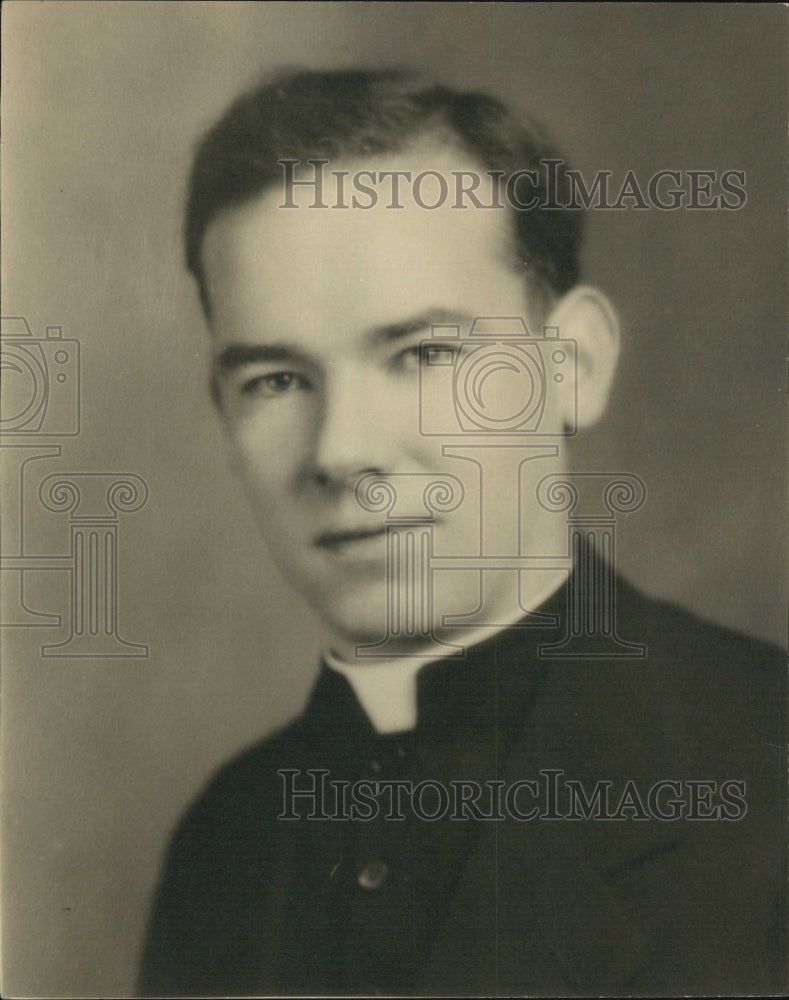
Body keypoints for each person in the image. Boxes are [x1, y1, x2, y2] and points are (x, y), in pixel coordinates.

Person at [138, 68, 784, 997]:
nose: (343, 450)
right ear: (222, 416)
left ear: (572, 367)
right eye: (275, 380)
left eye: (424, 355)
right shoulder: (225, 840)